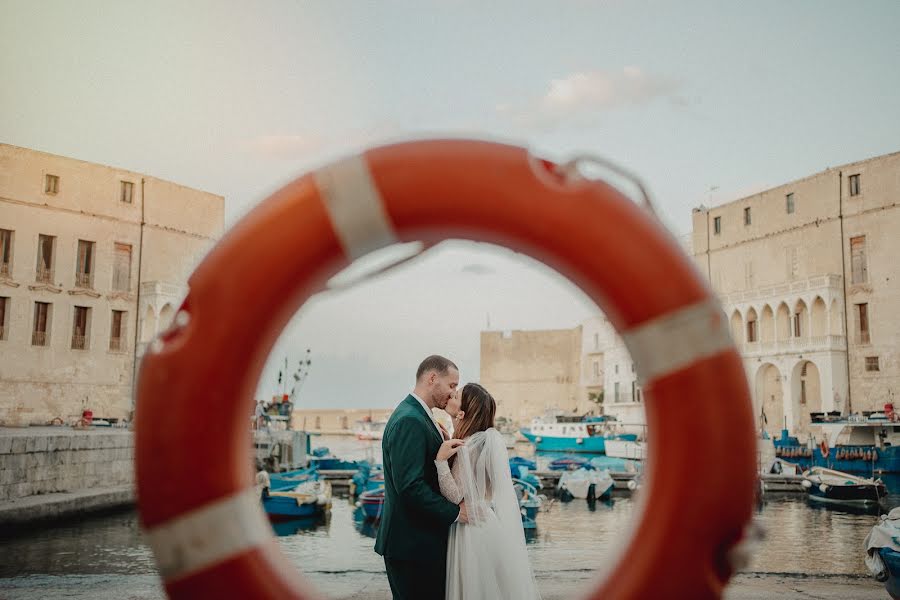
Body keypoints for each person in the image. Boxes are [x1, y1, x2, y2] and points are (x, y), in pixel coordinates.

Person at [436, 383, 542, 600]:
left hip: (471, 527)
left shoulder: (468, 446)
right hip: (485, 520)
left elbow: (456, 495)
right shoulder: (478, 441)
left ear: (463, 411)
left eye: (457, 395)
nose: (451, 395)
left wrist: (440, 462)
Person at [375, 355, 468, 600]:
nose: (453, 393)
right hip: (412, 546)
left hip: (418, 543)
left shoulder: (419, 416)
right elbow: (410, 486)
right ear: (432, 378)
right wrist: (457, 513)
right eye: (451, 385)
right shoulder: (410, 420)